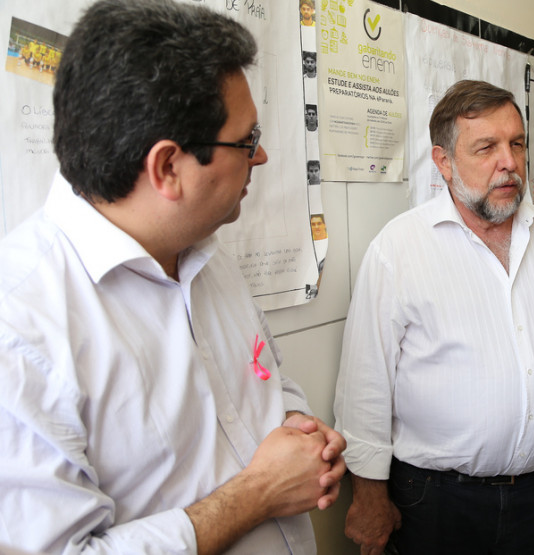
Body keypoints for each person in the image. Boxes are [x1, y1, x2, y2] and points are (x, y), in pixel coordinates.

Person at [0, 1, 345, 553]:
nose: (262, 158)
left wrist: (298, 423)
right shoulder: (22, 330)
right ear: (166, 168)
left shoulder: (208, 255)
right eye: (246, 141)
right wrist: (258, 494)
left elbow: (263, 381)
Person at [334, 80, 534, 555]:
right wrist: (368, 496)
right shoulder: (400, 249)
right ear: (444, 162)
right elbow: (365, 382)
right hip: (433, 502)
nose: (508, 161)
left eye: (516, 143)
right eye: (487, 147)